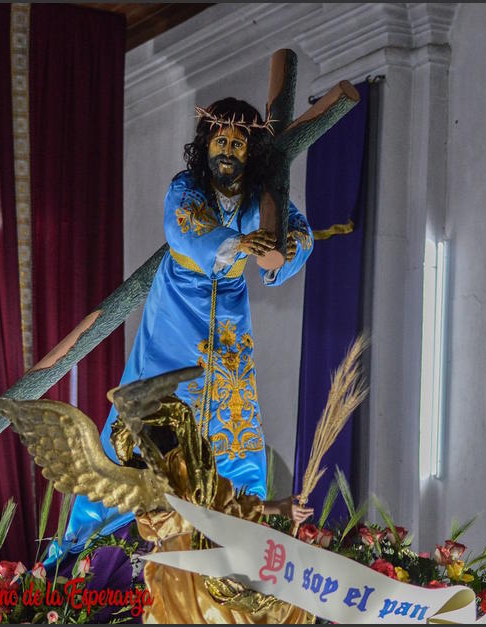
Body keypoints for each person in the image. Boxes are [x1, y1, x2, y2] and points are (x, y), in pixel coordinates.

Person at [49, 97, 315, 562]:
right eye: (220, 140)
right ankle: (80, 550)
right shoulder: (186, 187)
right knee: (144, 422)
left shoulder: (262, 197)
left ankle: (246, 537)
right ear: (205, 145)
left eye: (238, 142)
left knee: (233, 422)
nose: (228, 150)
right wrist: (238, 243)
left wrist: (282, 248)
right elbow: (188, 229)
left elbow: (296, 234)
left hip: (229, 319)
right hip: (177, 307)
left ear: (251, 152)